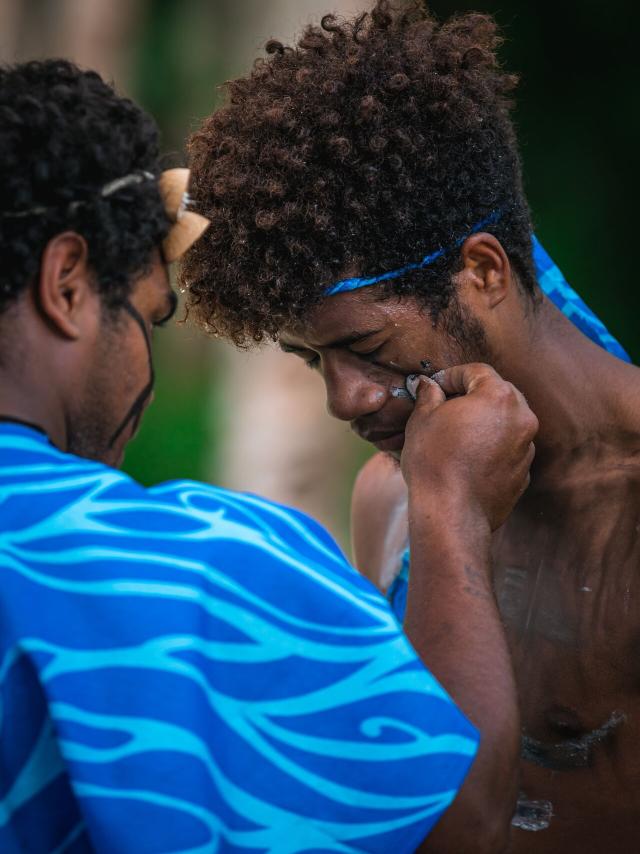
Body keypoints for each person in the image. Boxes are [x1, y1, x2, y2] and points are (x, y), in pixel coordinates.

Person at [0, 59, 539, 854]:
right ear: (68, 283)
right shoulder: (186, 571)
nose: (342, 401)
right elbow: (458, 820)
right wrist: (452, 510)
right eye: (149, 315)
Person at [180, 2, 640, 852]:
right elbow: (419, 805)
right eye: (312, 360)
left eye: (366, 347)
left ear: (482, 271)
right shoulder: (397, 500)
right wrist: (447, 515)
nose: (344, 400)